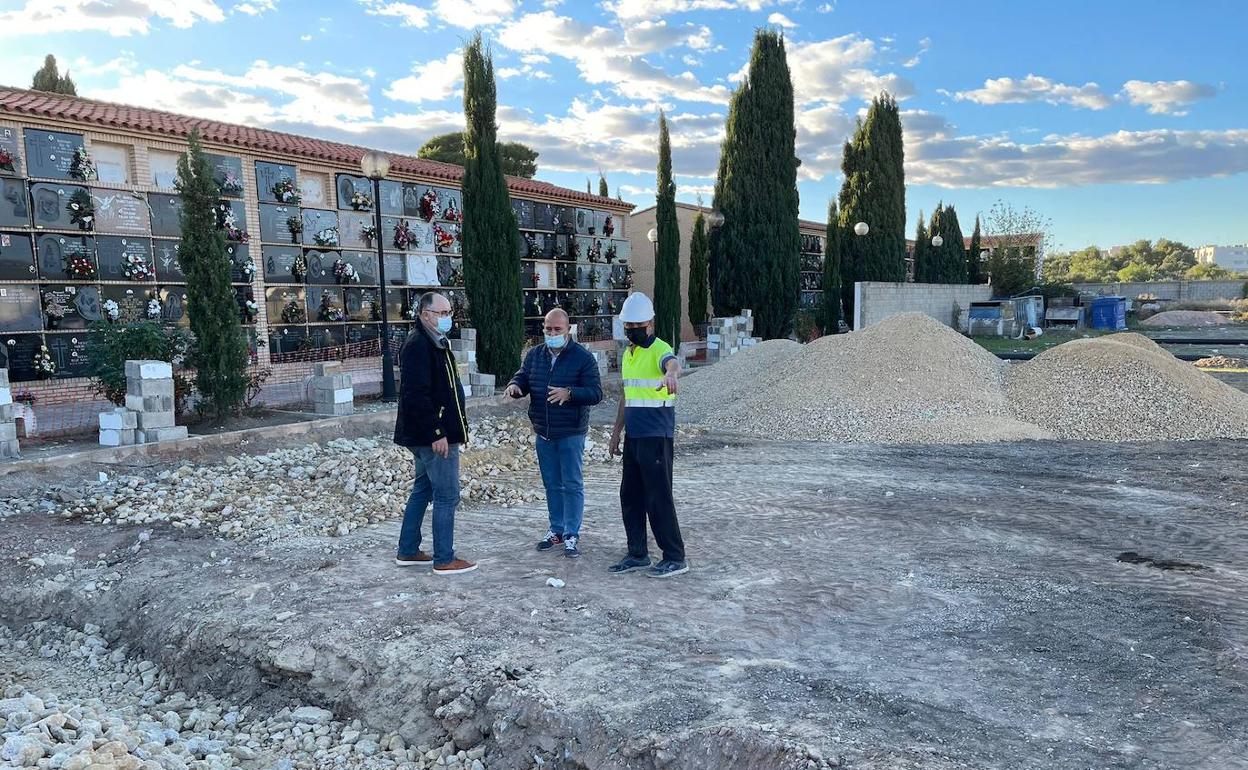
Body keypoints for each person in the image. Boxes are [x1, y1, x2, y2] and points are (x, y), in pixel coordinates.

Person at [504, 309, 604, 558]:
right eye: (548, 329)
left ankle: (572, 533)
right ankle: (556, 530)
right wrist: (515, 386)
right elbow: (524, 377)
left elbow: (595, 392)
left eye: (557, 330)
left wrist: (569, 393)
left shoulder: (583, 358)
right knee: (552, 484)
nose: (551, 333)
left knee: (571, 483)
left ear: (567, 329)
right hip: (544, 431)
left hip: (570, 431)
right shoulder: (535, 354)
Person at [392, 291, 477, 576]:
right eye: (442, 313)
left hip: (428, 434)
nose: (447, 318)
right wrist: (437, 431)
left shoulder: (434, 341)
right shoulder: (418, 345)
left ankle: (408, 549)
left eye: (449, 312)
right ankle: (444, 558)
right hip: (433, 437)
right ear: (425, 314)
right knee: (446, 494)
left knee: (423, 488)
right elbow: (416, 395)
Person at [608, 292, 687, 578]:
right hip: (635, 437)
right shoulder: (629, 355)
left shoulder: (659, 349)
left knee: (658, 497)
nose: (633, 330)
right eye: (628, 326)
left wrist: (671, 374)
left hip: (656, 436)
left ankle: (675, 557)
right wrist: (617, 432)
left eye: (637, 325)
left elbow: (672, 363)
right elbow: (626, 397)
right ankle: (637, 553)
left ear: (650, 323)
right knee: (630, 496)